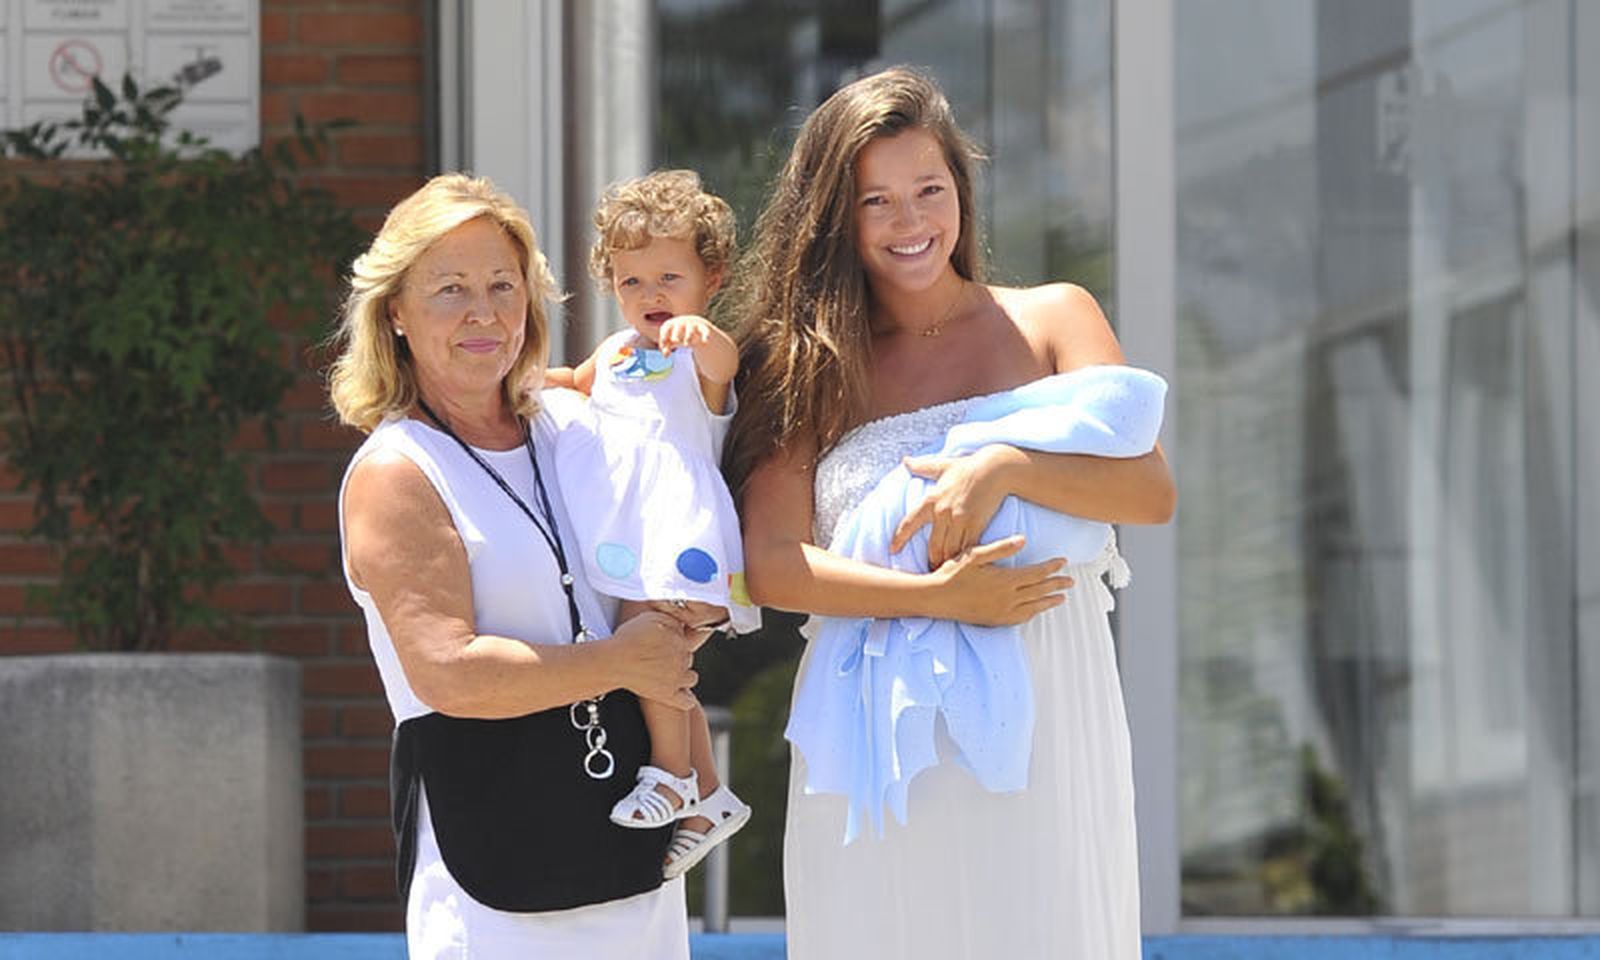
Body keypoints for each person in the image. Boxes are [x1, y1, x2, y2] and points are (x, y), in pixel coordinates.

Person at [723, 67, 1176, 958]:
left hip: (1050, 701)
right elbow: (772, 564)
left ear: (960, 193)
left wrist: (1004, 466)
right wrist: (941, 598)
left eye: (929, 190)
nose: (912, 223)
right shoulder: (807, 364)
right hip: (873, 736)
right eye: (877, 202)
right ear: (836, 220)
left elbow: (1149, 492)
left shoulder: (1053, 318)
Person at [329, 173, 706, 959]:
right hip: (494, 872)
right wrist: (620, 662)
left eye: (504, 285)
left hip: (628, 846)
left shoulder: (572, 423)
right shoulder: (397, 471)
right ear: (394, 310)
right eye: (450, 289)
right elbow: (448, 672)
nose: (484, 312)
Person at [547, 169, 755, 879]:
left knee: (647, 644)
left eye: (670, 277)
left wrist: (704, 340)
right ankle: (709, 797)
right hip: (631, 536)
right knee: (660, 660)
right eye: (632, 282)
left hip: (680, 533)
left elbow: (727, 369)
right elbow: (574, 381)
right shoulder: (614, 352)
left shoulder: (701, 357)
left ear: (711, 277)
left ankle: (670, 775)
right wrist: (521, 381)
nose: (651, 296)